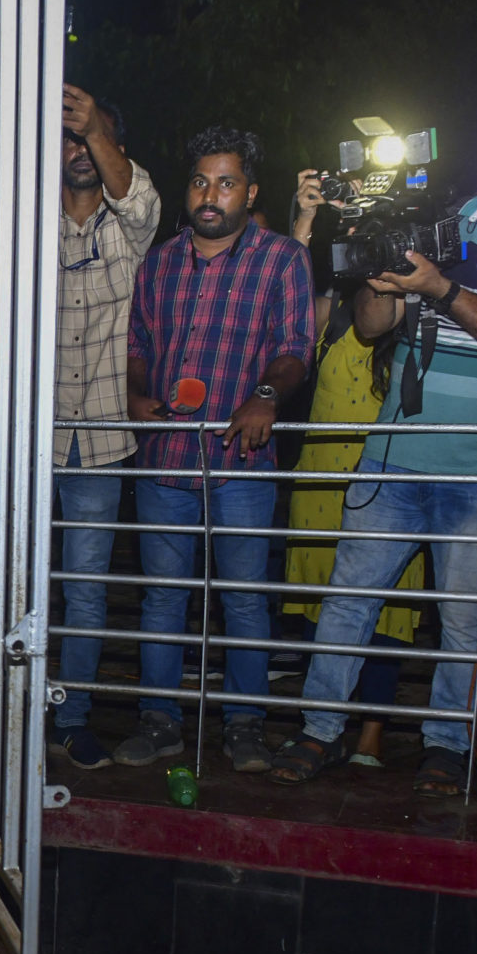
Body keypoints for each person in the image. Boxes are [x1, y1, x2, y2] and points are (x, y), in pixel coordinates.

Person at [274, 95, 477, 795]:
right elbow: (370, 325)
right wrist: (382, 275)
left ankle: (448, 744)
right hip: (395, 453)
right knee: (348, 601)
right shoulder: (444, 221)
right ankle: (319, 728)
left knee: (466, 622)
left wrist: (440, 287)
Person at [119, 125, 316, 772]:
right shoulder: (159, 262)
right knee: (163, 599)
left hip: (243, 464)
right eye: (201, 181)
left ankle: (245, 725)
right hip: (165, 459)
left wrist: (265, 393)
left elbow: (295, 349)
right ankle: (158, 719)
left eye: (226, 182)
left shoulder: (283, 259)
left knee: (243, 600)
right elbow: (138, 347)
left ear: (249, 190)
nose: (211, 194)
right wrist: (137, 395)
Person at [275, 167, 422, 771]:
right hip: (322, 478)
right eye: (359, 234)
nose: (365, 242)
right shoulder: (332, 306)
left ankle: (371, 733)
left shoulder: (415, 299)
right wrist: (305, 226)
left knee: (387, 613)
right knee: (321, 607)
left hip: (388, 479)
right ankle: (322, 723)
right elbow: (289, 320)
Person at [49, 86, 159, 769]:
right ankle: (3, 708)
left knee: (86, 589)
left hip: (104, 437)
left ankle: (73, 715)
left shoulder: (131, 225)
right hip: (26, 437)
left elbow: (141, 198)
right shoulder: (23, 223)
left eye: (93, 139)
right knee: (11, 577)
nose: (81, 150)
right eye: (69, 137)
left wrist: (95, 127)